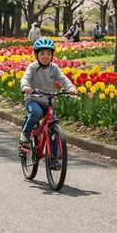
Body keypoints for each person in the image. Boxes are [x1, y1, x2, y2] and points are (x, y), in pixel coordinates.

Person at [19, 38, 78, 168]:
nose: (45, 56)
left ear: (52, 55)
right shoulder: (33, 67)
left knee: (53, 124)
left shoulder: (54, 68)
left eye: (48, 53)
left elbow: (63, 79)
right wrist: (25, 87)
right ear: (36, 55)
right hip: (33, 99)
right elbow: (25, 78)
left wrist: (71, 88)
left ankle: (54, 158)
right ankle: (26, 133)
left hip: (49, 100)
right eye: (42, 54)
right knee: (37, 113)